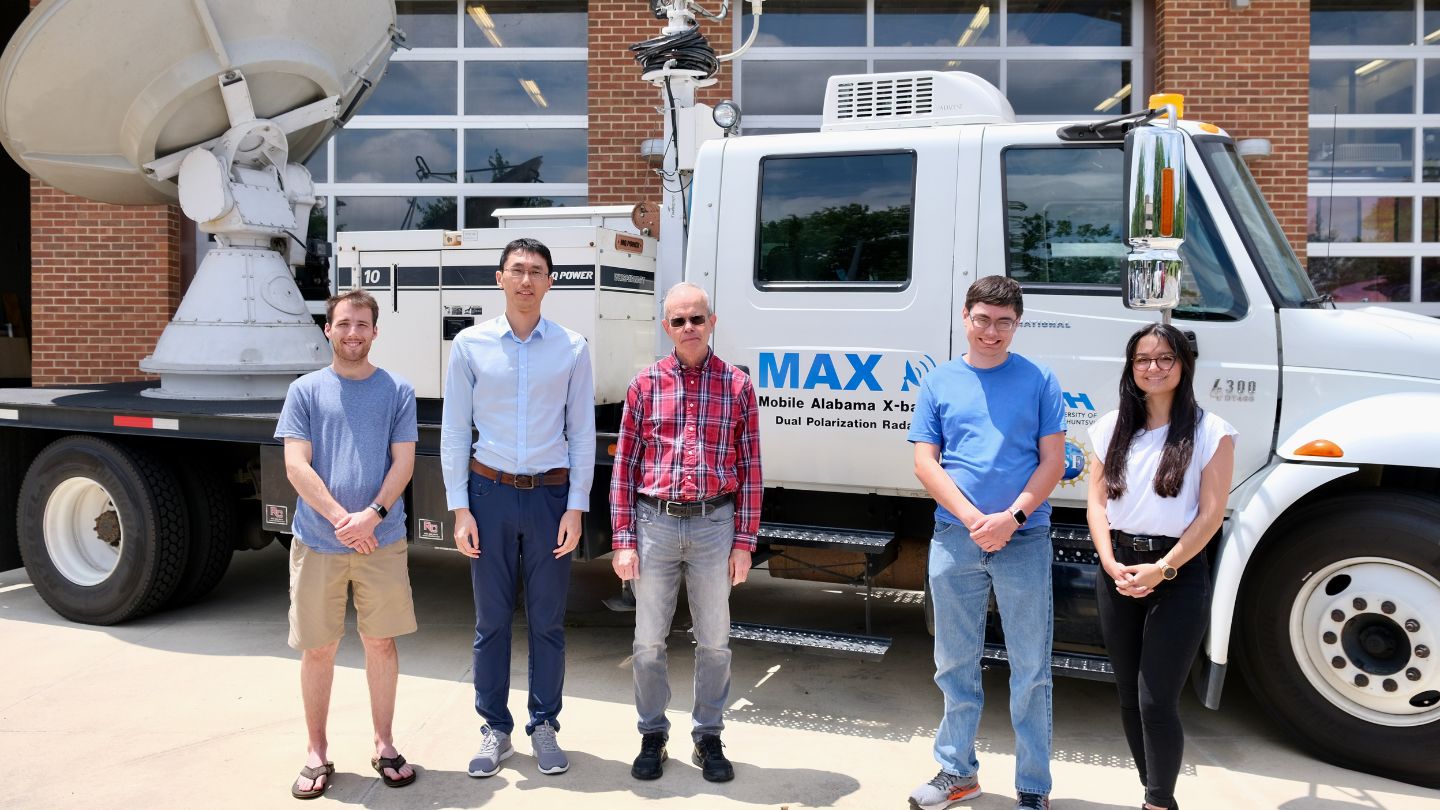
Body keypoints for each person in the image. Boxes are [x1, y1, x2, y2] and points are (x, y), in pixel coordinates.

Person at [907, 275, 1066, 810]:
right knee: (954, 663)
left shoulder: (1040, 380)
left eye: (1004, 322)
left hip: (1024, 537)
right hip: (956, 536)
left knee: (1031, 670)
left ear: (1016, 325)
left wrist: (1012, 518)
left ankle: (1034, 788)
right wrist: (977, 518)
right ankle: (957, 772)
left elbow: (1053, 461)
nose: (992, 331)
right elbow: (925, 462)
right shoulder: (939, 383)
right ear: (965, 318)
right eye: (983, 319)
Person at [441, 237, 596, 778]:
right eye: (517, 270)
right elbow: (456, 431)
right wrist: (460, 510)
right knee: (490, 622)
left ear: (550, 281)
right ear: (500, 278)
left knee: (549, 621)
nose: (526, 279)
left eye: (536, 271)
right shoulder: (470, 345)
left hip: (551, 498)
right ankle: (495, 730)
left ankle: (545, 724)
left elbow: (582, 432)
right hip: (490, 496)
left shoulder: (573, 347)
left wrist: (576, 508)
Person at [609, 281, 762, 783]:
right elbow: (625, 468)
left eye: (697, 318)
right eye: (678, 320)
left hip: (715, 526)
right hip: (654, 523)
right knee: (648, 641)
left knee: (715, 640)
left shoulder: (738, 386)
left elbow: (752, 469)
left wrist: (745, 542)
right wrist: (624, 540)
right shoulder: (644, 385)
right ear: (666, 327)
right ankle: (652, 734)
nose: (689, 328)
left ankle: (708, 735)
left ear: (712, 322)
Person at [276, 288, 419, 799]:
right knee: (319, 648)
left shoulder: (397, 390)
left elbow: (403, 461)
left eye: (363, 324)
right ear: (328, 330)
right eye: (344, 323)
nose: (353, 332)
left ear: (375, 332)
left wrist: (373, 516)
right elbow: (296, 464)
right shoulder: (306, 391)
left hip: (382, 541)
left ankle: (384, 744)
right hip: (319, 542)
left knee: (381, 642)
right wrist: (343, 520)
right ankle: (316, 751)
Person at [1086, 323, 1235, 810]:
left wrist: (1164, 569)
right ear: (1131, 369)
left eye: (1165, 358)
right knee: (1128, 695)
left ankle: (1158, 802)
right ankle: (1155, 796)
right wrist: (1109, 562)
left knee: (1156, 700)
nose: (1153, 367)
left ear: (1183, 365)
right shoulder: (1110, 427)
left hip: (1177, 572)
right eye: (1143, 360)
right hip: (1119, 569)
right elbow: (1096, 503)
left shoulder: (1213, 432)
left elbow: (1212, 515)